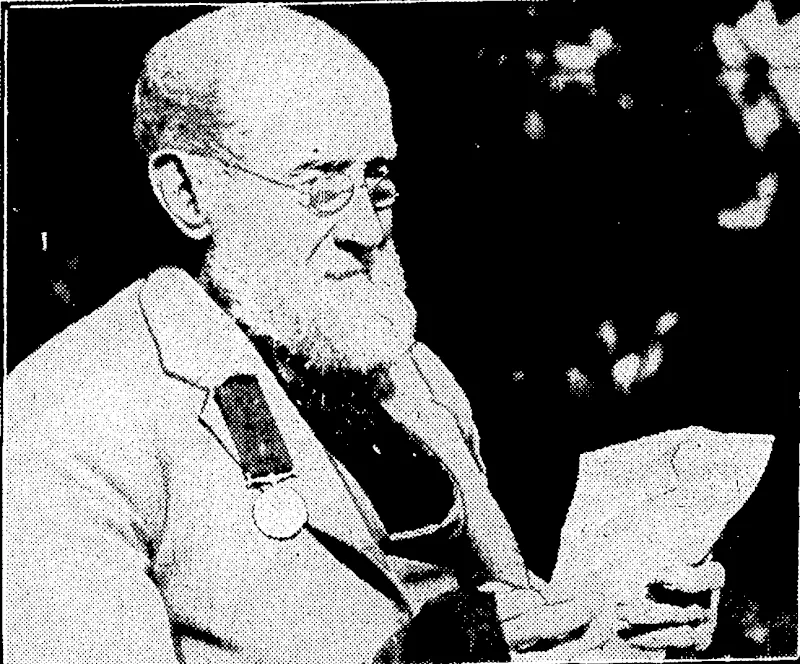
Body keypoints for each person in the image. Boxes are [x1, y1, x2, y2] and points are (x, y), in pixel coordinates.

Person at [2, 6, 724, 663]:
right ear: (188, 194)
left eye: (377, 182)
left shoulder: (409, 375)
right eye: (320, 185)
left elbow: (509, 615)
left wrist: (617, 622)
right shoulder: (68, 417)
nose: (365, 228)